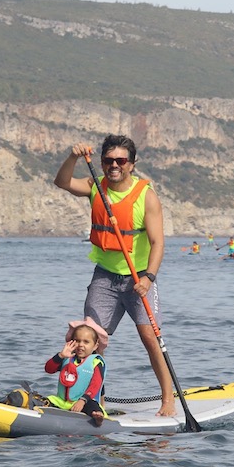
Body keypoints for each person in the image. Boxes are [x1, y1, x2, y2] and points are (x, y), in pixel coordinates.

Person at [54, 134, 175, 417]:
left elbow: (158, 243)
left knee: (149, 337)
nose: (114, 166)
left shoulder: (146, 197)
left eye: (121, 160)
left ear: (131, 164)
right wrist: (72, 157)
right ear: (101, 162)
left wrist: (149, 279)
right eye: (108, 161)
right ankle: (96, 400)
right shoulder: (95, 186)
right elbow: (61, 182)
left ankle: (168, 399)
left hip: (138, 280)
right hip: (105, 278)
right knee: (89, 338)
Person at [2, 318, 109, 426]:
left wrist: (82, 401)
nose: (81, 344)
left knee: (93, 407)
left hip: (86, 402)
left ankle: (97, 417)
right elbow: (49, 369)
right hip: (61, 402)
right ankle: (18, 401)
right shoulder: (67, 357)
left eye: (86, 342)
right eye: (77, 340)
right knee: (44, 400)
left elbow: (96, 385)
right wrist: (60, 356)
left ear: (95, 345)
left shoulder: (96, 362)